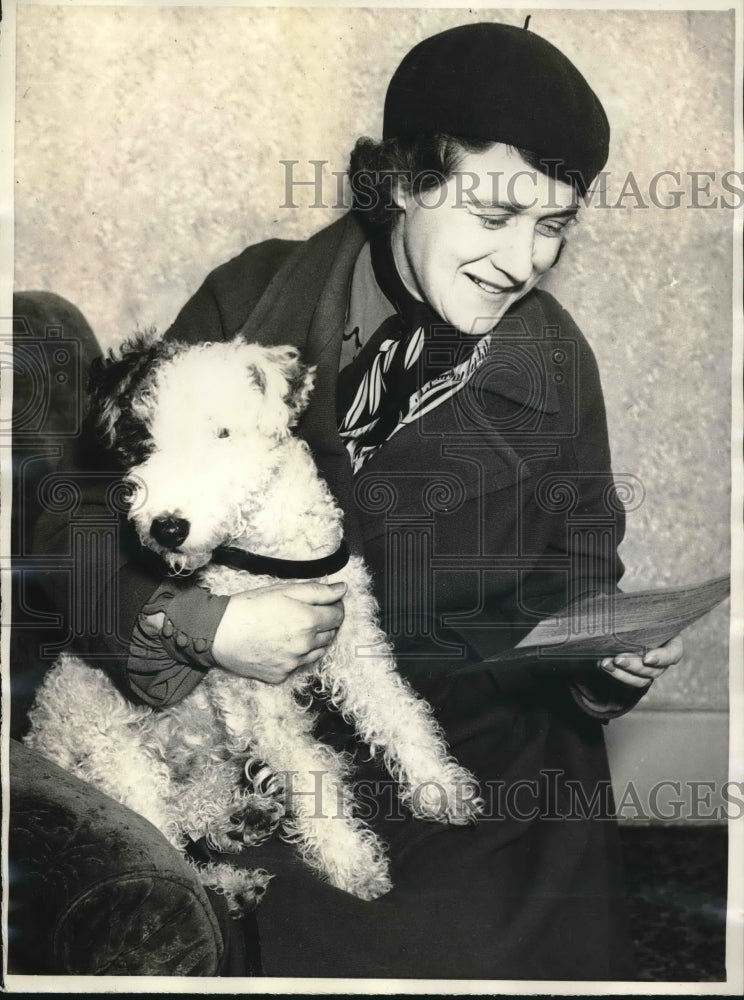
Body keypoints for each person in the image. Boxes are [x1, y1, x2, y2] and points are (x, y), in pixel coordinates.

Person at [32, 21, 683, 979]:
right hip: (243, 727)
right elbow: (76, 519)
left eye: (552, 227)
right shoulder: (251, 296)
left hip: (474, 740)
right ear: (403, 183)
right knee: (208, 925)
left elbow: (577, 580)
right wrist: (203, 626)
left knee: (451, 954)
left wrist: (606, 660)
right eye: (495, 216)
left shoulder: (556, 360)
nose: (524, 263)